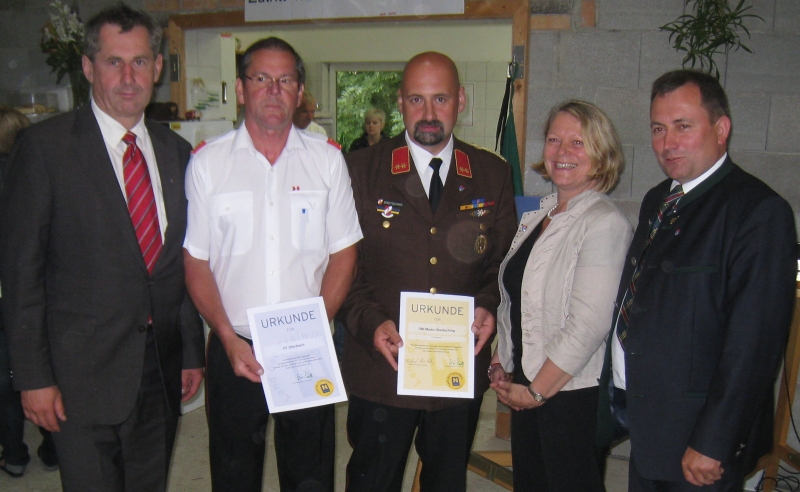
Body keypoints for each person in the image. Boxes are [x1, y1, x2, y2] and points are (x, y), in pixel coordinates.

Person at [0, 5, 205, 491]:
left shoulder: (176, 153)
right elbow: (21, 274)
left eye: (140, 62)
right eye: (114, 62)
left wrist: (190, 352)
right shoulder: (44, 149)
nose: (129, 77)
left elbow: (179, 264)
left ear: (158, 68)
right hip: (78, 377)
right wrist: (32, 377)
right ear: (89, 67)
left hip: (158, 369)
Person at [597, 69, 797, 491]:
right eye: (658, 128)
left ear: (721, 129)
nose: (667, 143)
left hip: (698, 441)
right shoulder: (659, 199)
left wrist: (714, 441)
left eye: (683, 126)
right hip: (650, 424)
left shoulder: (758, 212)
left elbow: (753, 347)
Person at [183, 37, 362, 492]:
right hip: (234, 346)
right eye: (261, 78)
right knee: (233, 474)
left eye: (285, 80)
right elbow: (196, 261)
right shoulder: (208, 164)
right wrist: (226, 337)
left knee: (309, 475)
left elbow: (344, 253)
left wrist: (312, 329)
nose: (273, 90)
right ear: (242, 89)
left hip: (305, 344)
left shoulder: (327, 161)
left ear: (299, 92)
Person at [341, 51, 517, 492]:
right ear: (400, 102)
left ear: (461, 100)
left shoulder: (491, 173)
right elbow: (342, 266)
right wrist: (370, 322)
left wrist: (488, 306)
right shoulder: (360, 170)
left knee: (446, 482)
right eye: (416, 99)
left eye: (441, 98)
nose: (429, 113)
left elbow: (502, 262)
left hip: (457, 365)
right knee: (372, 481)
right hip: (383, 366)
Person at [488, 100, 632, 491]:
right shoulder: (539, 214)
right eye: (554, 140)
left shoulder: (604, 223)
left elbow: (588, 325)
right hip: (528, 382)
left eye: (577, 142)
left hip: (570, 394)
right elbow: (519, 300)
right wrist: (503, 357)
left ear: (601, 152)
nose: (562, 151)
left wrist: (537, 391)